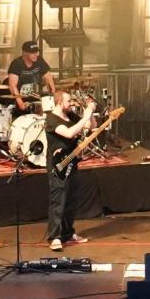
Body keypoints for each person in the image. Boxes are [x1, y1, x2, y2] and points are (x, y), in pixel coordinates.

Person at [45, 89, 97, 251]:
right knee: (58, 201)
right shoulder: (52, 120)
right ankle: (54, 237)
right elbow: (69, 133)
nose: (71, 104)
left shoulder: (69, 115)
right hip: (58, 166)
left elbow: (91, 126)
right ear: (60, 102)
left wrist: (91, 112)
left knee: (71, 200)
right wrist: (86, 115)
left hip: (72, 162)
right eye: (69, 101)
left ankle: (68, 233)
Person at [6, 40, 57, 114]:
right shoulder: (16, 64)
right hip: (20, 101)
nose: (36, 54)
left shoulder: (39, 60)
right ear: (24, 53)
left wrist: (53, 95)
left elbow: (48, 77)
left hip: (37, 100)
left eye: (37, 52)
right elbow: (12, 86)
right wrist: (21, 104)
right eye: (33, 53)